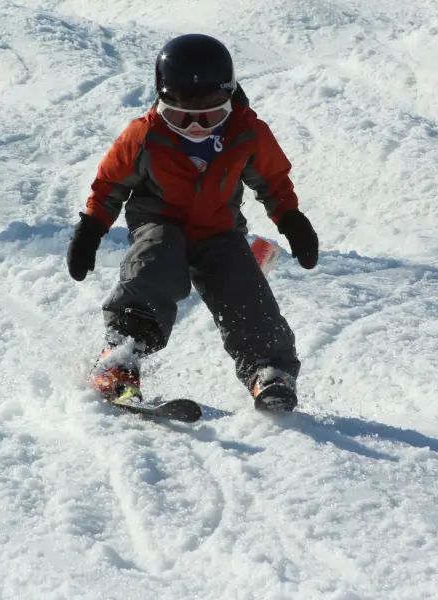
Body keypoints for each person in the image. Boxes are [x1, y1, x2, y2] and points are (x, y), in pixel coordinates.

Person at [66, 33, 318, 411]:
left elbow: (274, 182)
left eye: (211, 114)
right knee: (156, 259)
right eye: (182, 113)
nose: (197, 126)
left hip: (219, 232)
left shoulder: (247, 132)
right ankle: (121, 357)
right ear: (163, 99)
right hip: (160, 222)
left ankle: (269, 370)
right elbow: (108, 186)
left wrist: (292, 220)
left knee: (243, 285)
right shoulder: (145, 135)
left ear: (229, 98)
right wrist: (89, 231)